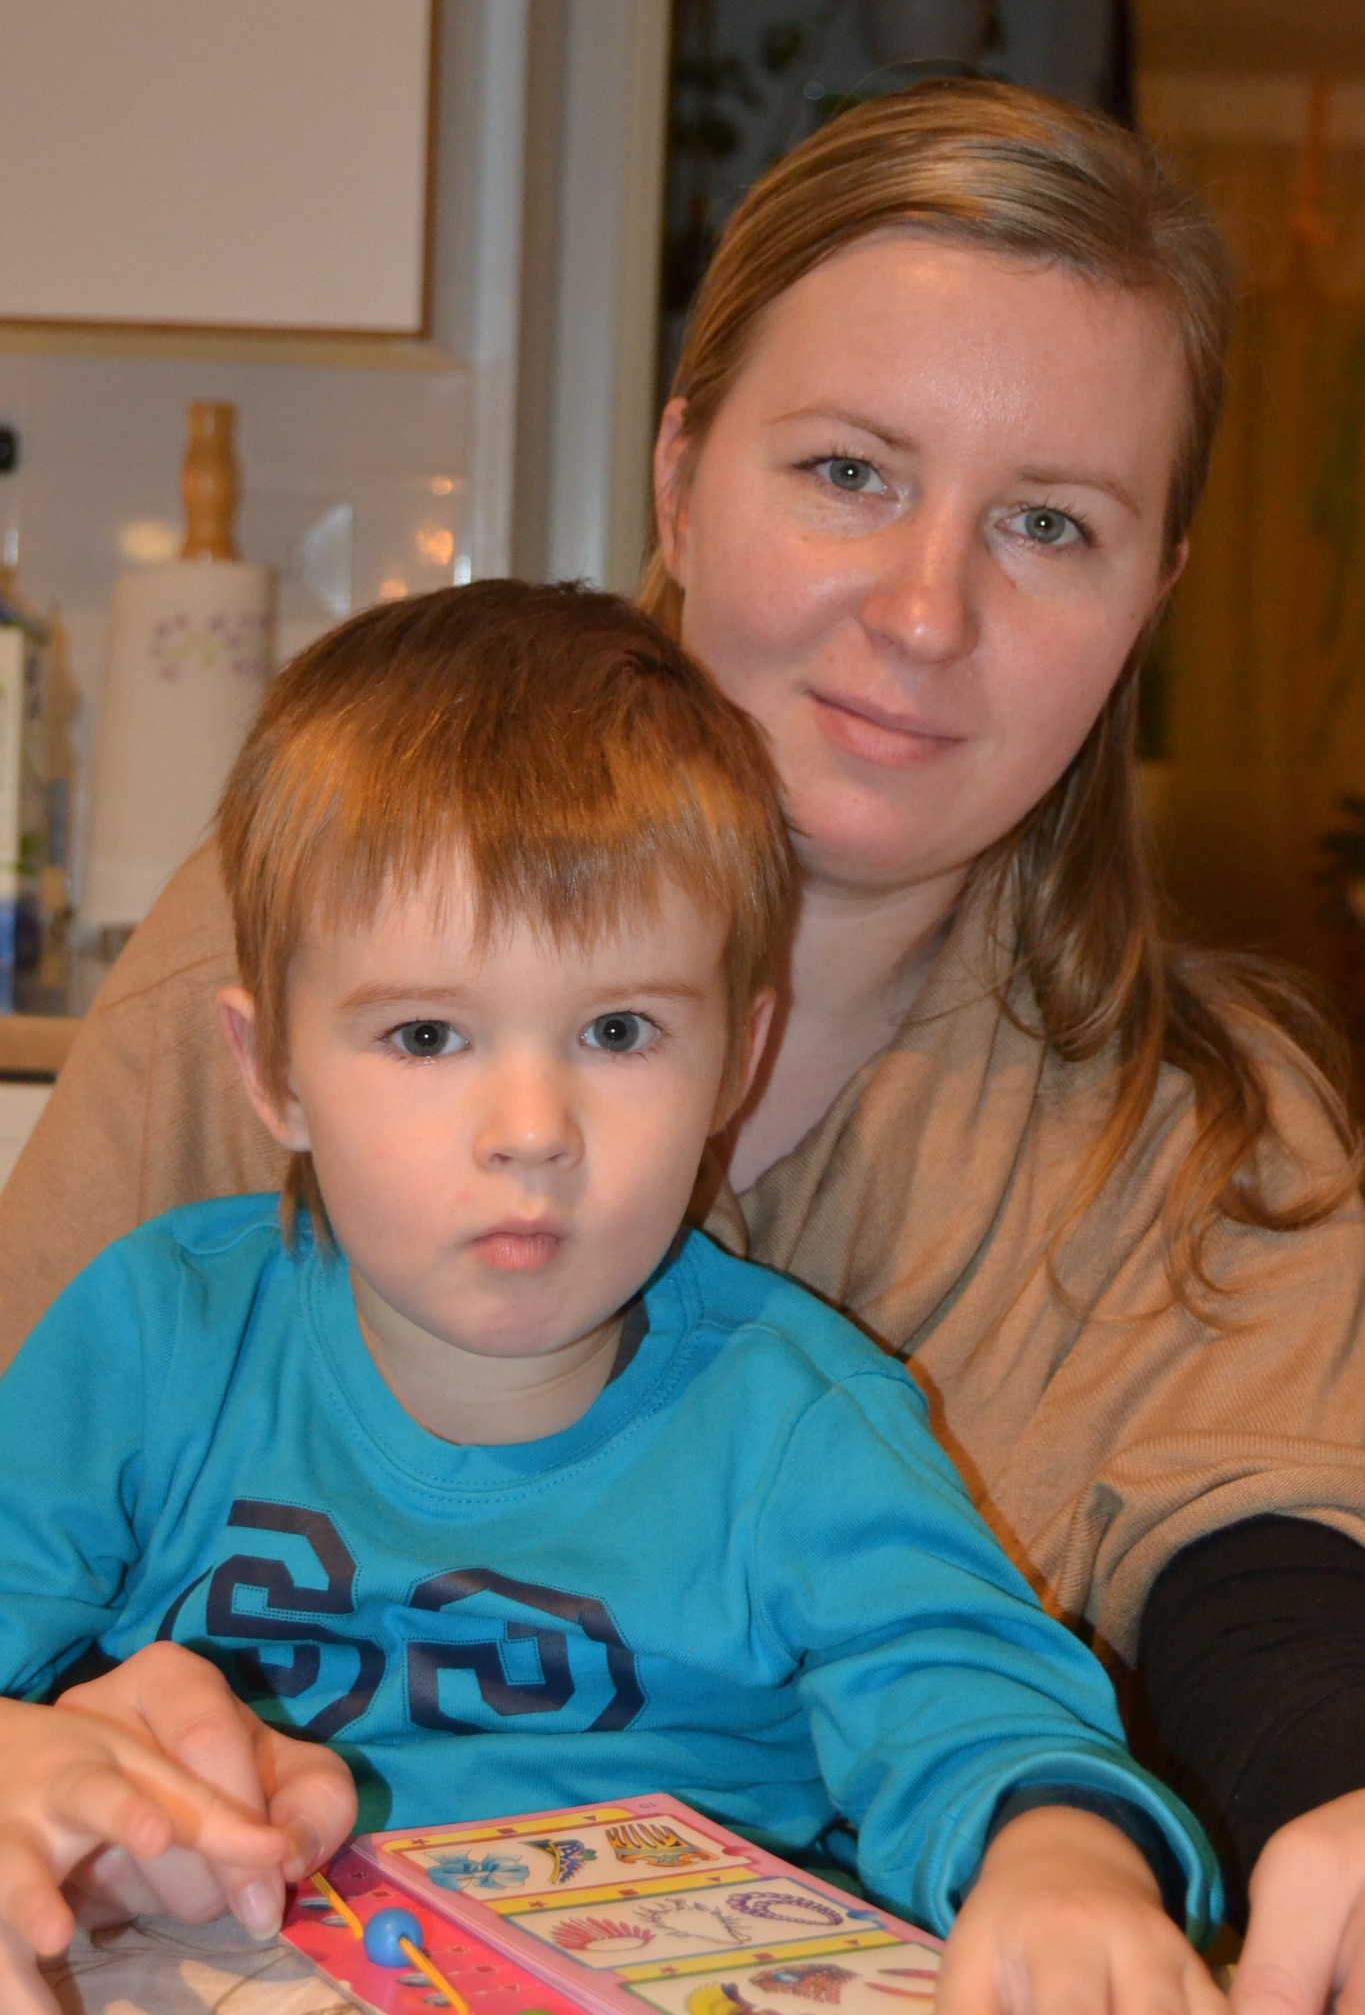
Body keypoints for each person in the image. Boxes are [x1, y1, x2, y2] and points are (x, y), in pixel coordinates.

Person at [4, 78, 1365, 2012]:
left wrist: (1283, 1810)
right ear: (679, 475)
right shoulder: (290, 920)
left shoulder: (1205, 1138)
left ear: (1150, 599)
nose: (924, 610)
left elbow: (1265, 1609)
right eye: (848, 472)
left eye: (1049, 523)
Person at [0, 581, 1224, 2015]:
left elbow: (972, 1700)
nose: (532, 1130)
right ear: (272, 1072)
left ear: (735, 1061)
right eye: (427, 1035)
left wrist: (1063, 1859)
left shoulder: (793, 1424)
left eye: (619, 1030)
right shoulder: (160, 1339)